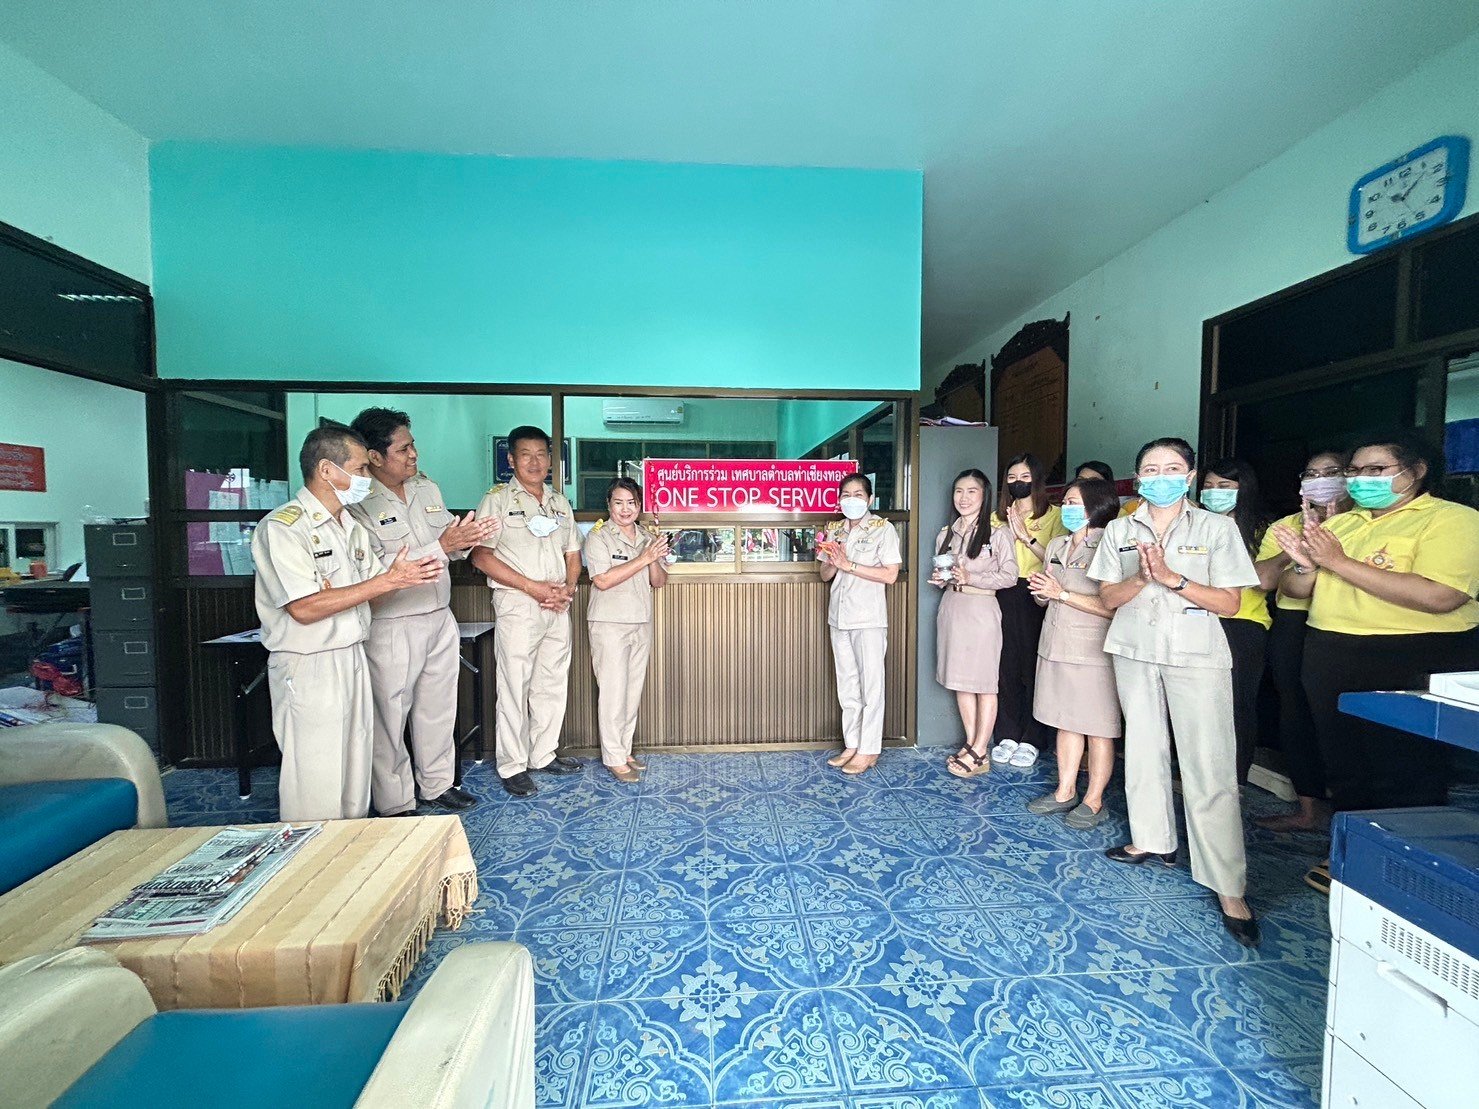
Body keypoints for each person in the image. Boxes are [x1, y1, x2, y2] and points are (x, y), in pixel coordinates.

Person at [1088, 436, 1261, 946]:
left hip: (1196, 653)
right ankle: (1152, 839)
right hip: (1134, 649)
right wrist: (1143, 580)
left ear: (1188, 477)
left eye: (1171, 468)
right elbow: (1108, 596)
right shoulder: (1120, 528)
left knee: (1209, 764)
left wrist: (1172, 578)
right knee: (1143, 749)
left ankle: (1228, 885)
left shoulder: (1215, 528)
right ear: (1138, 478)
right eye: (1150, 469)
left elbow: (1230, 603)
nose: (1159, 477)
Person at [1275, 432, 1479, 823]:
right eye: (1354, 471)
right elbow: (1294, 589)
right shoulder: (1343, 523)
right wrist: (1304, 565)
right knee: (1343, 760)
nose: (1360, 479)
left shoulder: (1452, 519)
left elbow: (1442, 596)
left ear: (1416, 471)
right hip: (1331, 650)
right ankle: (1351, 844)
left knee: (1404, 763)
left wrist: (1337, 562)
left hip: (1410, 654)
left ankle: (1402, 845)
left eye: (1375, 469)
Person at [251, 425, 442, 822]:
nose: (367, 478)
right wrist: (385, 581)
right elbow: (304, 608)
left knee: (355, 768)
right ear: (326, 470)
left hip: (353, 653)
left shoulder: (350, 527)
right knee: (317, 774)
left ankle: (351, 845)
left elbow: (373, 593)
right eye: (359, 469)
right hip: (310, 663)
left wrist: (399, 578)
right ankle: (314, 855)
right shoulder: (285, 528)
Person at [347, 407, 496, 816]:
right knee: (389, 716)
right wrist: (443, 546)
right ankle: (395, 801)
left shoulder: (426, 488)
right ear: (374, 456)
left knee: (438, 708)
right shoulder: (357, 503)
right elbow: (374, 569)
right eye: (403, 448)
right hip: (392, 622)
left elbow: (449, 541)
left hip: (439, 614)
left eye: (413, 446)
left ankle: (437, 785)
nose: (414, 454)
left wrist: (467, 539)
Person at [471, 426, 584, 797]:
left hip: (557, 603)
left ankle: (543, 753)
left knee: (551, 682)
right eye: (525, 454)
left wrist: (567, 589)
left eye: (541, 454)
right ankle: (513, 765)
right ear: (511, 459)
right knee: (514, 684)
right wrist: (532, 588)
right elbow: (481, 557)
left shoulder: (559, 502)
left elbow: (573, 553)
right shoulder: (497, 501)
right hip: (519, 604)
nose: (535, 462)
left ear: (551, 459)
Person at [1251, 449, 1350, 833]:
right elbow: (1263, 580)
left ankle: (1350, 811)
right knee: (1294, 710)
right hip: (1294, 620)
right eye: (1312, 473)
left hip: (1350, 626)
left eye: (1331, 472)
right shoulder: (1284, 525)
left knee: (1342, 717)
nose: (1320, 480)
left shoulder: (1365, 522)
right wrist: (1297, 550)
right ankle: (1309, 808)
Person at [1024, 478, 1122, 828]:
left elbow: (1114, 606)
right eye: (1065, 502)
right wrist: (1042, 592)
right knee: (1065, 721)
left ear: (1097, 505)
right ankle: (1064, 790)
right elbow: (1047, 595)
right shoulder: (1057, 544)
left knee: (1098, 727)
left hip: (1092, 651)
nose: (1066, 508)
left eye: (1073, 502)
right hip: (1055, 644)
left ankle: (1094, 800)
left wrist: (1062, 594)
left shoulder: (1110, 544)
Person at [932, 469, 1019, 779]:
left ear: (985, 496)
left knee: (983, 683)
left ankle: (981, 748)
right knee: (961, 680)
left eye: (971, 491)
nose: (964, 498)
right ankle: (971, 744)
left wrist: (972, 577)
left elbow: (1010, 576)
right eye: (959, 491)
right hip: (952, 608)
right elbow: (947, 574)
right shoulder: (946, 533)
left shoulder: (997, 534)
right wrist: (942, 580)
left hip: (981, 611)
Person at [816, 473, 903, 777]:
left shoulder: (883, 529)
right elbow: (825, 575)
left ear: (870, 499)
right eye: (846, 495)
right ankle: (852, 743)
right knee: (848, 685)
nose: (851, 500)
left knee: (871, 686)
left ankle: (869, 749)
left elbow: (890, 574)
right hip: (839, 616)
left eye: (858, 495)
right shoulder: (834, 529)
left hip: (868, 618)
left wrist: (849, 564)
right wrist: (832, 561)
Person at [584, 479, 670, 784]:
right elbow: (602, 580)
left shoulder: (647, 537)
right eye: (618, 502)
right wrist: (643, 558)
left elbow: (659, 581)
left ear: (639, 505)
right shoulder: (599, 537)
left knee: (632, 690)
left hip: (640, 620)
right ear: (609, 505)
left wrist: (654, 558)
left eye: (631, 502)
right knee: (613, 691)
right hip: (609, 623)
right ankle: (613, 758)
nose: (625, 509)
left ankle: (624, 749)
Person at [990, 453, 1066, 767]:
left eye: (1024, 477)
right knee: (1004, 665)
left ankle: (1033, 736)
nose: (1017, 482)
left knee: (1033, 667)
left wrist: (1026, 537)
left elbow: (1059, 561)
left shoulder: (1055, 515)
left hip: (1037, 591)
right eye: (1011, 477)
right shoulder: (996, 518)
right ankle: (1007, 732)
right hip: (1002, 592)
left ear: (1036, 480)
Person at [1199, 458, 1272, 782]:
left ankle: (1234, 778)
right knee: (1201, 705)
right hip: (1198, 619)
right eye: (1209, 486)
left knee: (1237, 703)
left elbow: (1261, 580)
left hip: (1243, 623)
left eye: (1224, 486)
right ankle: (1198, 775)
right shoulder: (1195, 525)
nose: (1214, 492)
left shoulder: (1261, 529)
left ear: (1243, 490)